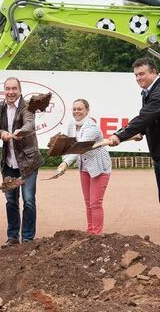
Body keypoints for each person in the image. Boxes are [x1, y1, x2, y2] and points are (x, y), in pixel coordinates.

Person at [108, 57, 160, 252]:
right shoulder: (149, 91)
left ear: (153, 72)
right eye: (136, 75)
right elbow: (152, 118)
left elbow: (146, 116)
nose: (139, 78)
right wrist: (141, 132)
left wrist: (120, 135)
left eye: (142, 74)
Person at [0, 77, 45, 248]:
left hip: (28, 162)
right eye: (8, 89)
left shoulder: (27, 106)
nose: (11, 92)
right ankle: (13, 237)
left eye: (14, 88)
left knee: (28, 200)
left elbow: (30, 123)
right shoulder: (0, 107)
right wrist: (2, 134)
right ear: (4, 91)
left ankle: (27, 239)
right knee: (11, 201)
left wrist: (21, 131)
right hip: (9, 163)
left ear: (20, 90)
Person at [57, 99, 111, 235]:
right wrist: (64, 161)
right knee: (88, 203)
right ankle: (90, 232)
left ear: (87, 110)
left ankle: (96, 234)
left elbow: (79, 147)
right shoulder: (71, 124)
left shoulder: (92, 128)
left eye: (80, 109)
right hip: (84, 167)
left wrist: (66, 163)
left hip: (99, 167)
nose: (76, 112)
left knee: (95, 203)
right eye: (74, 109)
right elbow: (69, 145)